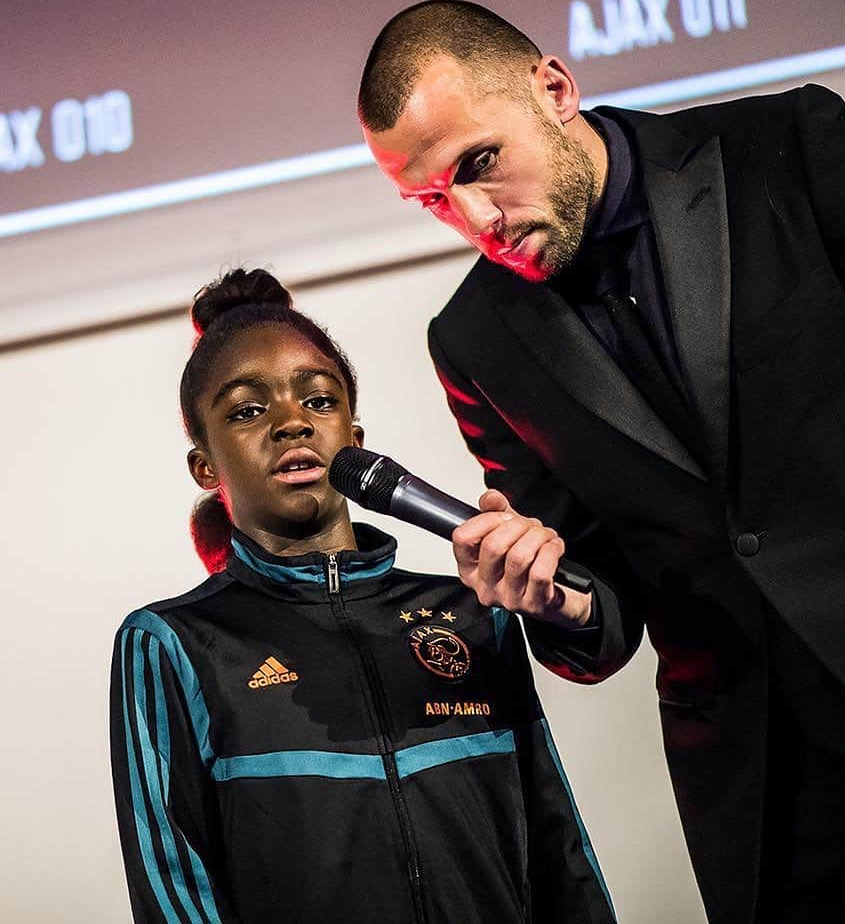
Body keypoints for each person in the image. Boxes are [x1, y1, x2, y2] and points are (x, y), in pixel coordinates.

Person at [358, 0, 845, 923]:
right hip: (773, 810)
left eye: (478, 164)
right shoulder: (473, 340)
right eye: (431, 201)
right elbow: (600, 605)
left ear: (553, 88)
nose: (473, 218)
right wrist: (557, 595)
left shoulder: (782, 149)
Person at [109, 268, 617, 924]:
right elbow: (175, 891)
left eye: (318, 401)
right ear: (205, 465)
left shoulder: (472, 613)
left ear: (355, 440)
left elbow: (556, 845)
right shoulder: (173, 643)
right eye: (247, 409)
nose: (292, 422)